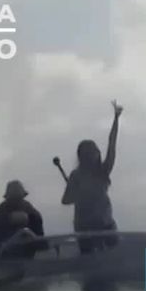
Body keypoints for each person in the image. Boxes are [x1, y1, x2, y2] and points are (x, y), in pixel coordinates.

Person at [61, 100, 123, 254]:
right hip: (85, 227)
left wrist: (116, 119)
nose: (94, 155)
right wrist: (79, 194)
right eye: (90, 152)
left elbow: (112, 144)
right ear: (83, 156)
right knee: (90, 258)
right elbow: (66, 200)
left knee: (115, 255)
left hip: (106, 224)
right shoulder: (76, 176)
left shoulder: (103, 171)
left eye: (95, 151)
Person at [0, 180, 45, 260]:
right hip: (2, 262)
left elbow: (41, 242)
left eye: (18, 198)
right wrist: (8, 220)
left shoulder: (31, 212)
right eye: (14, 198)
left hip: (25, 262)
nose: (16, 202)